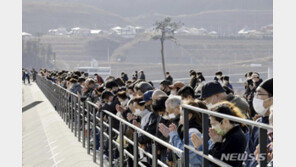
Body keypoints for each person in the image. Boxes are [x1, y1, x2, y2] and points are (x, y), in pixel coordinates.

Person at [191, 101, 247, 167]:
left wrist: (216, 143)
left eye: (214, 124)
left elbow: (219, 161)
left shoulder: (236, 137)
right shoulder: (226, 133)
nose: (212, 128)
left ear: (225, 121)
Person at [168, 100, 207, 167]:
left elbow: (184, 153)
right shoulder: (187, 130)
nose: (180, 118)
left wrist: (174, 136)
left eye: (182, 115)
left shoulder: (193, 132)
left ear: (189, 115)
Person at [246, 78, 273, 167]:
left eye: (259, 94)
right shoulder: (258, 123)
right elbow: (249, 154)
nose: (255, 98)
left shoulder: (271, 128)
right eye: (255, 93)